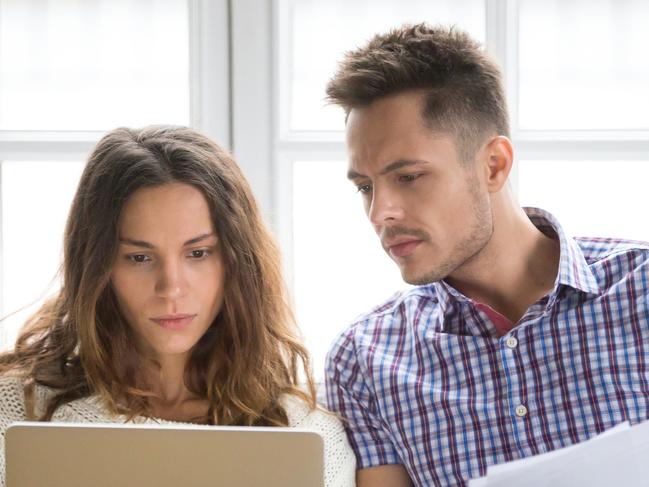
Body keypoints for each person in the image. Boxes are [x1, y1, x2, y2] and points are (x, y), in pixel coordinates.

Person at [324, 23, 649, 487]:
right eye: (365, 187)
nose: (381, 213)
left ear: (493, 164)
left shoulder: (642, 291)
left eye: (409, 177)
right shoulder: (364, 360)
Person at [0, 126, 356, 486]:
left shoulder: (305, 433)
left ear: (238, 261)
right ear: (97, 268)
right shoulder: (20, 410)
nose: (171, 288)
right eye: (139, 257)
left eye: (198, 253)